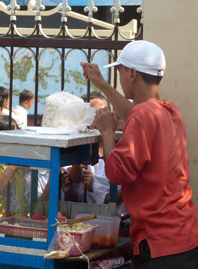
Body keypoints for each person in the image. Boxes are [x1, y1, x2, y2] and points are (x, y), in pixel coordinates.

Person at [81, 40, 198, 268]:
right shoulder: (168, 110)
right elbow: (136, 112)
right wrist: (102, 84)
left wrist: (107, 132)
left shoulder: (144, 116)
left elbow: (116, 173)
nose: (121, 78)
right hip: (184, 234)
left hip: (158, 242)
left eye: (121, 71)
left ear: (132, 73)